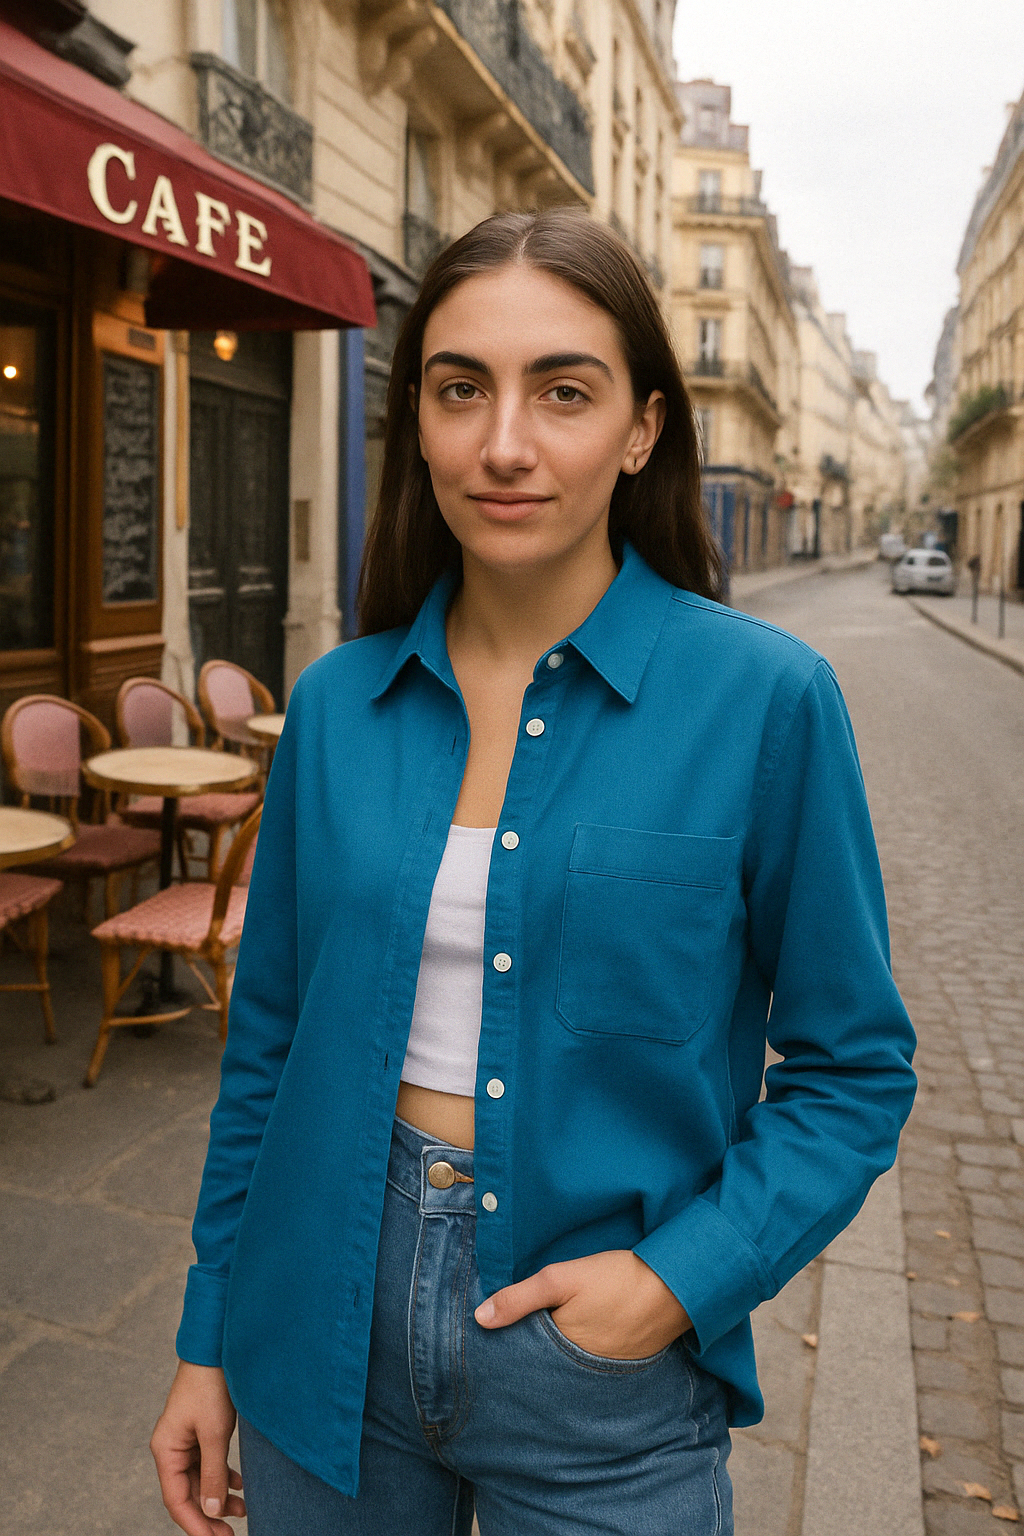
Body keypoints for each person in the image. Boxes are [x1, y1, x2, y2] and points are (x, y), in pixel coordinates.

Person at [151, 210, 916, 1536]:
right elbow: (268, 1045)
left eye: (564, 391)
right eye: (461, 390)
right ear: (420, 425)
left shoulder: (766, 703)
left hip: (601, 1381)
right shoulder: (338, 704)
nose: (504, 444)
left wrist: (676, 1284)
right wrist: (210, 1331)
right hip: (317, 1321)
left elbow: (852, 1072)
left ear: (641, 430)